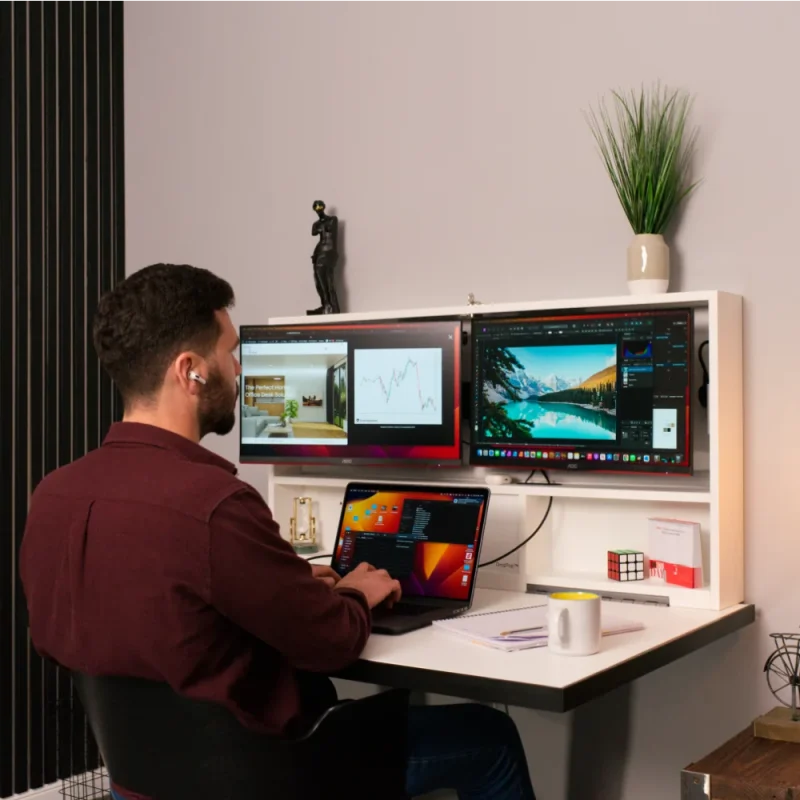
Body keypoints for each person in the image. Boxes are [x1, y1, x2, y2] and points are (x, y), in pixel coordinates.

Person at [20, 263, 536, 800]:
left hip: (138, 782)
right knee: (490, 736)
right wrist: (358, 592)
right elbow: (331, 643)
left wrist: (291, 586)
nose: (239, 371)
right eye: (230, 353)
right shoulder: (213, 506)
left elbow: (131, 625)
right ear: (190, 371)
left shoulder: (53, 496)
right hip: (274, 777)